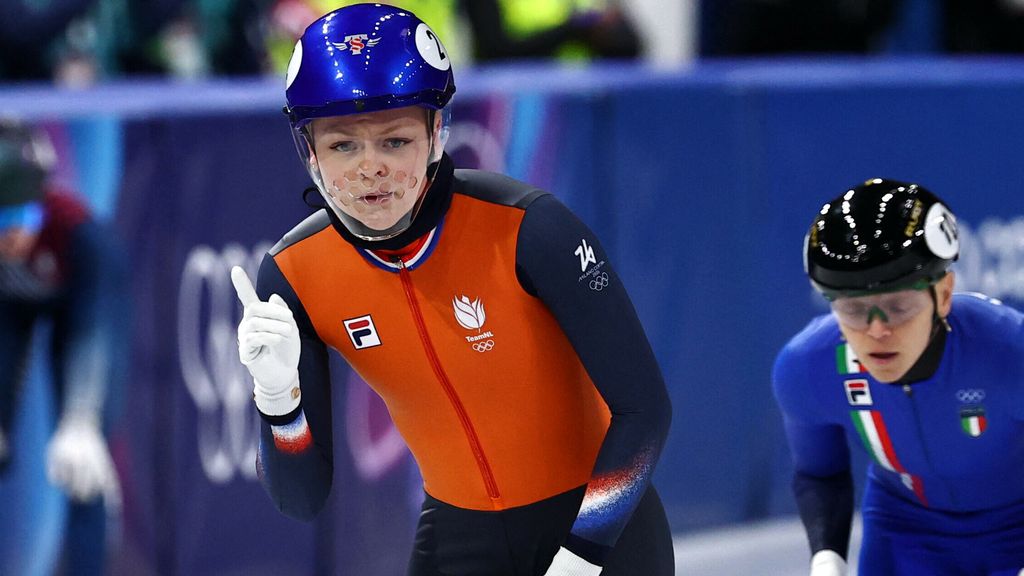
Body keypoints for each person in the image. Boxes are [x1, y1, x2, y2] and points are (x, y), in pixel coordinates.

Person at [230, 4, 673, 575]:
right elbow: (300, 499)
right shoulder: (294, 273)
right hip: (459, 541)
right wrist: (277, 399)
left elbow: (644, 410)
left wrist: (582, 557)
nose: (370, 168)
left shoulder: (528, 228)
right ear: (309, 151)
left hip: (598, 533)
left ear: (437, 134)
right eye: (342, 146)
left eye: (395, 141)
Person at [773, 178, 1024, 576]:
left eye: (898, 306)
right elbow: (820, 473)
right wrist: (827, 558)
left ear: (944, 295)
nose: (877, 329)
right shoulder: (806, 368)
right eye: (854, 310)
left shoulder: (1011, 350)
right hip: (907, 533)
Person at [0, 120, 127, 574]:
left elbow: (92, 333)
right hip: (8, 311)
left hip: (82, 310)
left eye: (25, 220)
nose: (13, 237)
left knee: (81, 461)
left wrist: (82, 416)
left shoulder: (82, 236)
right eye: (2, 222)